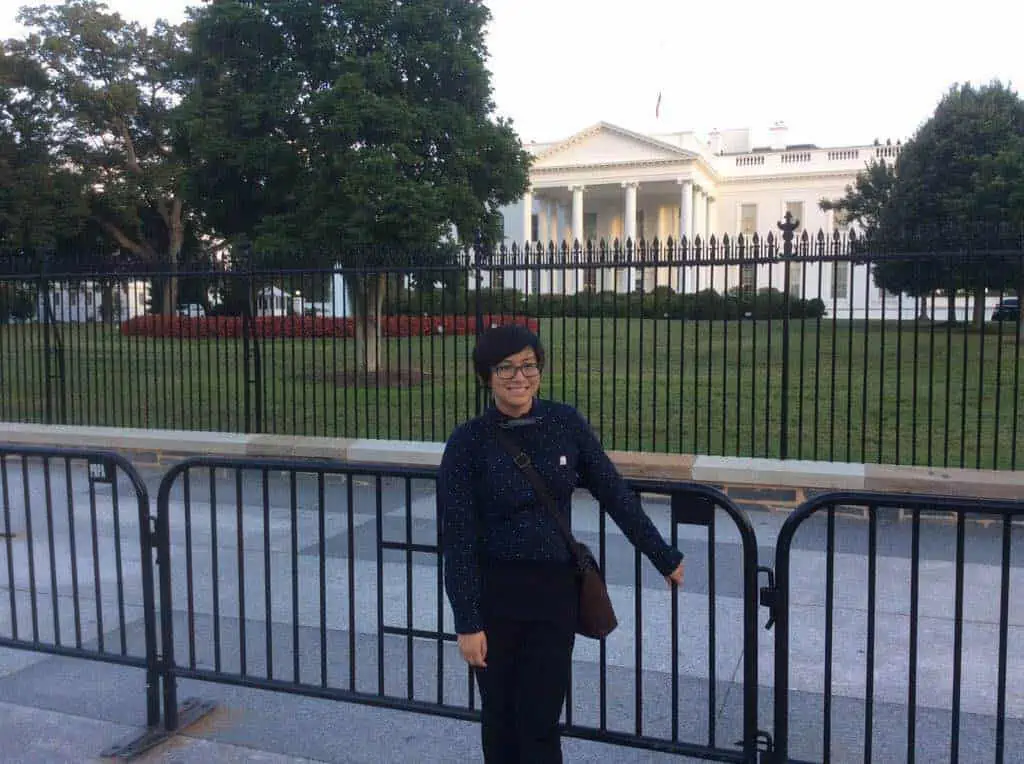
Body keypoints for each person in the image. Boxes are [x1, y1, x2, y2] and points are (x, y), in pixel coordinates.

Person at [438, 324, 685, 764]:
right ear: (486, 376)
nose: (519, 377)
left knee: (540, 720)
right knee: (500, 718)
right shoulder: (468, 443)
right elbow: (456, 537)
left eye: (528, 365)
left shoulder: (564, 423)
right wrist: (467, 621)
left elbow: (613, 491)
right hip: (495, 596)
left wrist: (661, 554)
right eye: (506, 367)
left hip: (553, 595)